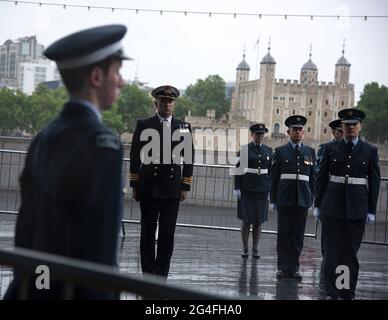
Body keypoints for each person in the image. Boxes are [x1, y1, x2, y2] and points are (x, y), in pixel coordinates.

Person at [4, 25, 130, 299]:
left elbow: (26, 230)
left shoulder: (44, 137)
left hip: (35, 288)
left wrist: (35, 288)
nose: (121, 81)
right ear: (97, 77)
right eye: (117, 71)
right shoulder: (103, 145)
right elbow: (101, 249)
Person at [314, 108, 380, 300]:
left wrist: (371, 209)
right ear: (342, 127)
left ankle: (346, 290)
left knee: (349, 253)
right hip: (332, 207)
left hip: (356, 209)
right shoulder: (330, 148)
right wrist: (318, 204)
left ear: (360, 127)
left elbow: (374, 182)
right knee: (332, 253)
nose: (350, 128)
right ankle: (332, 291)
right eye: (347, 125)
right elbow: (321, 178)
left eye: (354, 125)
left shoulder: (370, 151)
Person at [129, 85, 194, 279]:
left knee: (167, 234)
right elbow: (134, 157)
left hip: (172, 189)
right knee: (147, 234)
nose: (166, 105)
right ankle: (148, 274)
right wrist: (135, 185)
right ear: (156, 103)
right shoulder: (144, 125)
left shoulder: (183, 128)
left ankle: (161, 276)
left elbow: (188, 159)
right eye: (163, 101)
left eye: (170, 101)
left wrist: (185, 186)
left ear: (173, 105)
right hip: (148, 187)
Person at [270, 115, 317, 281]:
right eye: (294, 129)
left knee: (298, 236)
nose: (297, 132)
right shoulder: (280, 151)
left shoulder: (310, 152)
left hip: (302, 199)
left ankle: (294, 267)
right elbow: (274, 177)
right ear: (288, 132)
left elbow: (313, 178)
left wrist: (312, 198)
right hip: (285, 199)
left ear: (303, 132)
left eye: (300, 129)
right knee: (284, 234)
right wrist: (273, 199)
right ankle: (283, 268)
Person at [234, 123, 272, 259]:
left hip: (262, 189)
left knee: (258, 221)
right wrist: (237, 188)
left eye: (262, 135)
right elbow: (237, 169)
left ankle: (255, 248)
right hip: (247, 189)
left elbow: (271, 172)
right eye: (257, 135)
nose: (260, 137)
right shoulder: (244, 150)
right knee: (246, 220)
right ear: (252, 135)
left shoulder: (269, 150)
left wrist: (270, 188)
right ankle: (245, 247)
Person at [315, 119, 344, 258]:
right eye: (341, 131)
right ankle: (326, 258)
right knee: (328, 231)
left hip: (345, 198)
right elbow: (320, 172)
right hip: (329, 195)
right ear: (334, 133)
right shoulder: (326, 148)